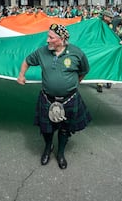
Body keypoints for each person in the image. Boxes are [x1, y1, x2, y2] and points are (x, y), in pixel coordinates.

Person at [17, 23, 90, 169]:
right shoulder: (42, 52)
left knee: (65, 129)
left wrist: (72, 84)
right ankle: (48, 147)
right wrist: (21, 74)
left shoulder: (77, 53)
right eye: (48, 36)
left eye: (51, 37)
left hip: (70, 99)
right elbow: (26, 61)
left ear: (62, 39)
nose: (47, 40)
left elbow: (84, 70)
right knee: (47, 129)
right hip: (47, 98)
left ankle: (61, 153)